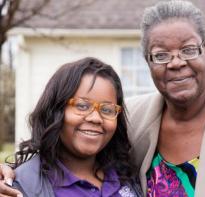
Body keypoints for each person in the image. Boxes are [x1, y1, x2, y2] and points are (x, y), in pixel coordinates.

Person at [0, 1, 205, 197]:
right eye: (161, 54)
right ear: (148, 62)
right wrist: (6, 173)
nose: (177, 62)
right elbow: (58, 148)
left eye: (189, 50)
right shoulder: (133, 117)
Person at [0, 57, 141, 197]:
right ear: (55, 110)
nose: (96, 118)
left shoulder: (128, 174)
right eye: (82, 106)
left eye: (107, 110)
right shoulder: (19, 187)